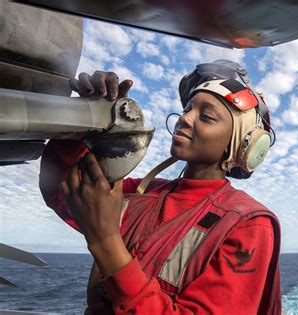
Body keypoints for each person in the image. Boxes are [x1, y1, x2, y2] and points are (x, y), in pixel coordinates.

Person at [39, 60, 281, 314]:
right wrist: (85, 118)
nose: (184, 118)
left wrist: (105, 240)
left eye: (206, 116)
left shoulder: (248, 224)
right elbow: (60, 187)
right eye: (187, 109)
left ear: (245, 146)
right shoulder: (141, 193)